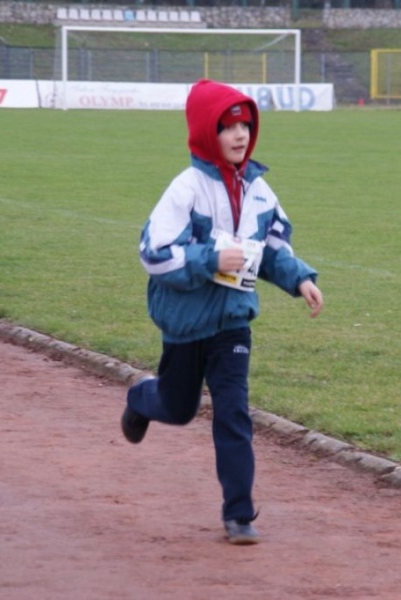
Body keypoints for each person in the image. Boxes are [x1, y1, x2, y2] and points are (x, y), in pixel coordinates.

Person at [121, 79, 324, 545]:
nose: (239, 135)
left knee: (234, 412)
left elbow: (272, 248)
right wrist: (209, 260)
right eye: (228, 125)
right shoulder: (186, 188)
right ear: (206, 130)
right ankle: (140, 399)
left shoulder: (259, 191)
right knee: (179, 407)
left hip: (233, 322)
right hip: (186, 324)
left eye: (246, 125)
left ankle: (239, 514)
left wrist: (300, 278)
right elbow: (153, 254)